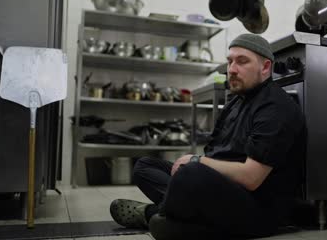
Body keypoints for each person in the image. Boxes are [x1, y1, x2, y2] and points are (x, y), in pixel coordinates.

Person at [109, 34, 306, 240]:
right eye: (230, 61)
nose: (232, 69)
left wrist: (197, 162)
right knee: (144, 166)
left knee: (190, 174)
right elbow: (214, 153)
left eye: (242, 61)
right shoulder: (236, 102)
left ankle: (156, 214)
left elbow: (251, 178)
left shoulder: (275, 107)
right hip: (221, 189)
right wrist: (198, 166)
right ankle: (176, 215)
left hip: (256, 207)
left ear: (265, 67)